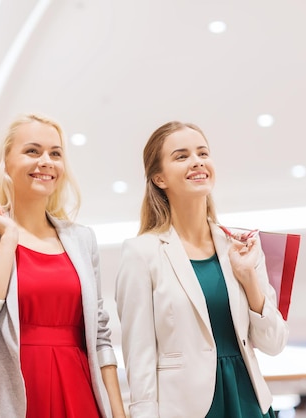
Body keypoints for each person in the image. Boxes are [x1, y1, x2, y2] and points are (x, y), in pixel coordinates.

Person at [0, 113, 126, 418]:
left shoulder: (81, 239)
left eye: (55, 153)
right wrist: (9, 237)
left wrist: (119, 413)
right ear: (5, 161)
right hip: (11, 393)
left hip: (79, 387)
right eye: (33, 151)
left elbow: (100, 337)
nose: (46, 161)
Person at [115, 121, 289, 418]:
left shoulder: (242, 244)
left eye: (202, 153)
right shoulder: (141, 253)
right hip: (186, 408)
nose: (197, 161)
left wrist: (249, 279)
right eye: (181, 156)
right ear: (159, 178)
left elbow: (273, 343)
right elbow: (139, 355)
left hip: (248, 401)